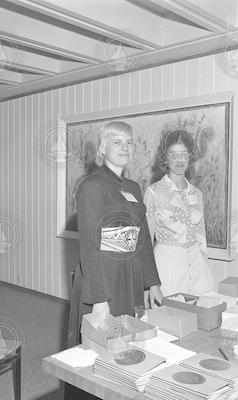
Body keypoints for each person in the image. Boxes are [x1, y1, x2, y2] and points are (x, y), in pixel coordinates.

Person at [68, 121, 162, 347]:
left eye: (129, 142)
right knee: (101, 343)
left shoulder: (133, 187)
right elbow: (90, 246)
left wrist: (152, 282)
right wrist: (99, 299)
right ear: (102, 148)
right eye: (117, 142)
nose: (125, 147)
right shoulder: (92, 186)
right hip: (103, 276)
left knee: (129, 338)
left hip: (130, 273)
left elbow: (143, 240)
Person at [144, 129, 214, 297]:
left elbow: (201, 236)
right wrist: (148, 284)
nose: (179, 160)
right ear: (165, 158)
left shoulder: (197, 194)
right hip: (167, 270)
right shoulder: (154, 192)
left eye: (183, 154)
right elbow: (145, 241)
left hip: (198, 269)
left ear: (190, 156)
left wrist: (205, 264)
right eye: (173, 154)